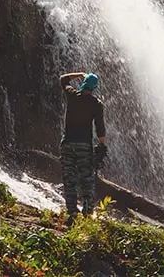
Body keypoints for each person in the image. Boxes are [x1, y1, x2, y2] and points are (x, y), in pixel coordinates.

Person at [59, 71, 106, 224]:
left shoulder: (72, 95)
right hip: (84, 146)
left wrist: (79, 74)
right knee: (87, 180)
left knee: (69, 179)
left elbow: (63, 79)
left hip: (68, 144)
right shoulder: (96, 104)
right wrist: (102, 145)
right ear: (94, 88)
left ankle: (72, 213)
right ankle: (87, 214)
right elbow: (100, 128)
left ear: (83, 83)